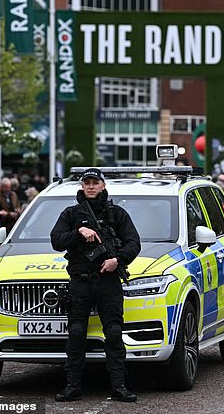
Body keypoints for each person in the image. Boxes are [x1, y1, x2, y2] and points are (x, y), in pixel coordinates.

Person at [50, 168, 140, 403]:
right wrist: (79, 232)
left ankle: (119, 386)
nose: (91, 186)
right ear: (82, 186)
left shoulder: (116, 214)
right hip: (80, 281)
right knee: (76, 332)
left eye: (95, 182)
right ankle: (72, 386)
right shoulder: (71, 214)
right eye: (87, 183)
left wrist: (117, 260)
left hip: (108, 281)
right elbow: (56, 241)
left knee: (113, 332)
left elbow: (133, 243)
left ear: (103, 186)